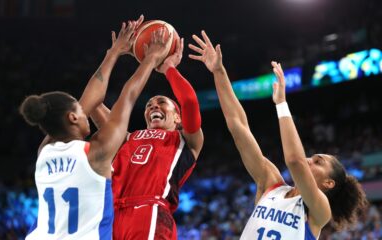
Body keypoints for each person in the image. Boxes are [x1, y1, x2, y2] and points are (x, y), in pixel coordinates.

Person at [189, 31, 367, 239]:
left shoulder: (319, 210)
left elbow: (295, 161)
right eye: (313, 157)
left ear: (328, 183)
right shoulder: (270, 184)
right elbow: (238, 126)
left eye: (318, 162)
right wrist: (219, 72)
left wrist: (281, 104)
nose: (309, 160)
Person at [22, 17, 171, 240]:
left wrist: (114, 52)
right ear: (72, 118)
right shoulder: (96, 153)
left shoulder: (45, 151)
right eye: (81, 112)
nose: (87, 112)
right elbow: (127, 97)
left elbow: (90, 99)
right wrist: (150, 59)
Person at [91, 35, 204, 240]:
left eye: (161, 102)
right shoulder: (127, 138)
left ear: (177, 117)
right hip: (109, 215)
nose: (153, 106)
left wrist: (169, 68)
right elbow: (92, 102)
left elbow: (188, 101)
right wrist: (113, 54)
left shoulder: (185, 139)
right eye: (149, 105)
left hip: (149, 211)